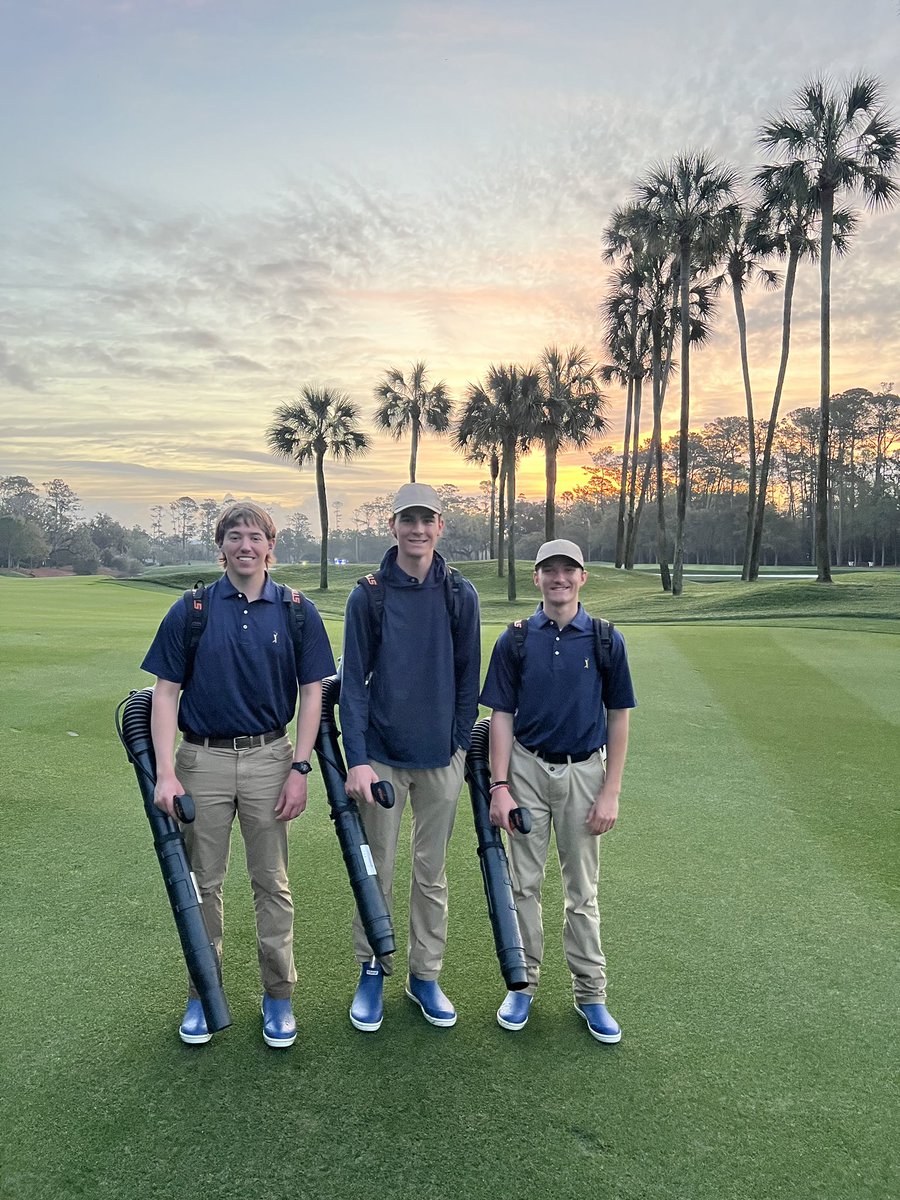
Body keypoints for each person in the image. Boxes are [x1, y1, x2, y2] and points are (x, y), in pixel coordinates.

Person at [142, 501, 335, 1047]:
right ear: (221, 545)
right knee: (203, 884)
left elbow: (313, 690)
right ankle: (205, 993)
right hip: (200, 760)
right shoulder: (193, 609)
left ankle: (279, 996)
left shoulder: (297, 610)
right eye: (234, 536)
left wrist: (300, 766)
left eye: (255, 536)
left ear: (270, 546)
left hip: (270, 759)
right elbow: (165, 692)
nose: (245, 546)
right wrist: (165, 772)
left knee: (271, 883)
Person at [479, 539, 636, 1043]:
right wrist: (498, 785)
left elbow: (619, 718)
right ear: (538, 578)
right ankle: (523, 986)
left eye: (569, 570)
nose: (559, 578)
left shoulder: (606, 639)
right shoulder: (516, 639)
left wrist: (611, 791)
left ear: (583, 578)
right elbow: (500, 716)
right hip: (525, 769)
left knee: (581, 892)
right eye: (550, 570)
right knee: (523, 885)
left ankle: (591, 993)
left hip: (585, 772)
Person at [339, 482, 481, 1032]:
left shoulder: (459, 594)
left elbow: (469, 676)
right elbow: (352, 685)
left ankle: (425, 975)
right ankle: (372, 968)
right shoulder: (368, 594)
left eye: (427, 520)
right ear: (392, 525)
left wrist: (457, 742)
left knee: (432, 873)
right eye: (407, 520)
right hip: (382, 758)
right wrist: (358, 759)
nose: (417, 529)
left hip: (440, 758)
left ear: (439, 526)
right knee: (379, 870)